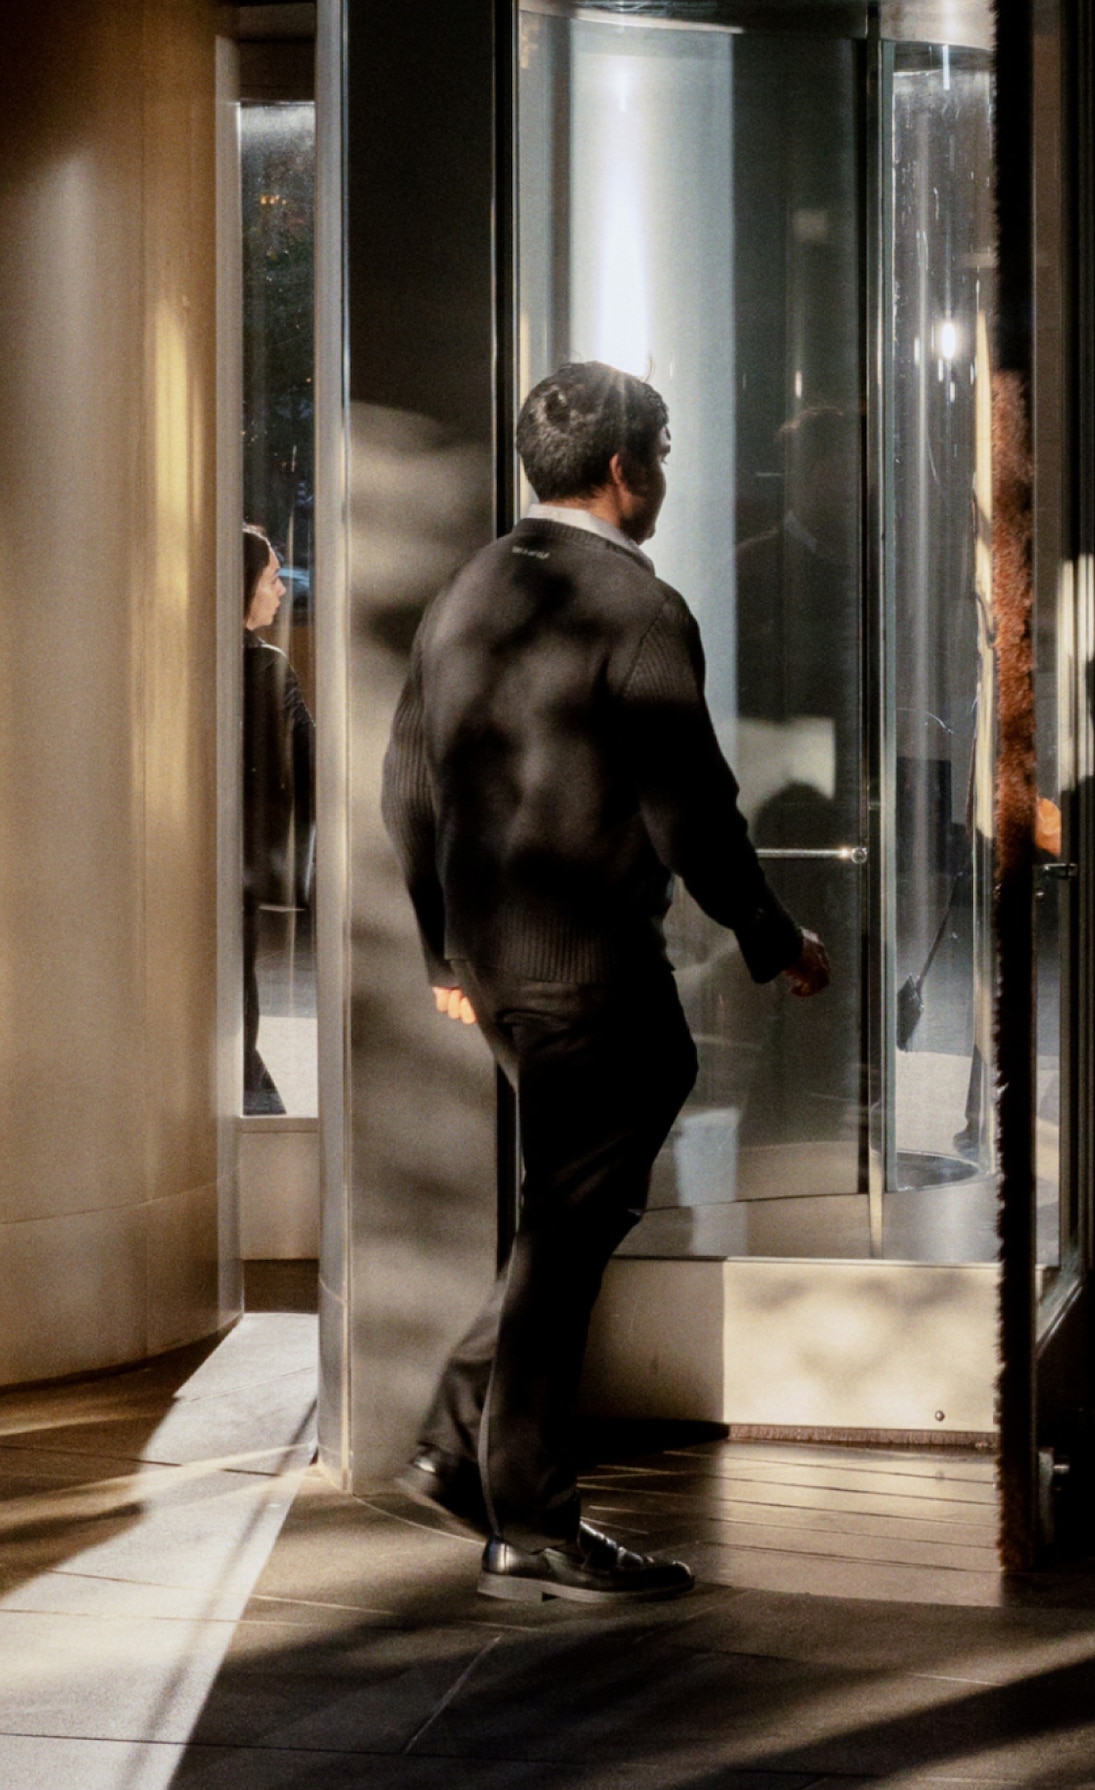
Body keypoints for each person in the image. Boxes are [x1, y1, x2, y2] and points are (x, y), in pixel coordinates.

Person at [383, 361, 831, 1605]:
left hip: (497, 967)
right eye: (663, 456)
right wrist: (770, 935)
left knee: (568, 1208)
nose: (667, 478)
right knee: (569, 1225)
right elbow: (691, 809)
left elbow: (404, 790)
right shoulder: (637, 607)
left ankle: (456, 1439)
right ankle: (523, 1514)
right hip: (585, 967)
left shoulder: (469, 587)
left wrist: (441, 952)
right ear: (626, 470)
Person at [240, 523, 313, 1117]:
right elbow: (312, 765)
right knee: (238, 992)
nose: (282, 591)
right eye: (271, 579)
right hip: (244, 866)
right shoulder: (267, 667)